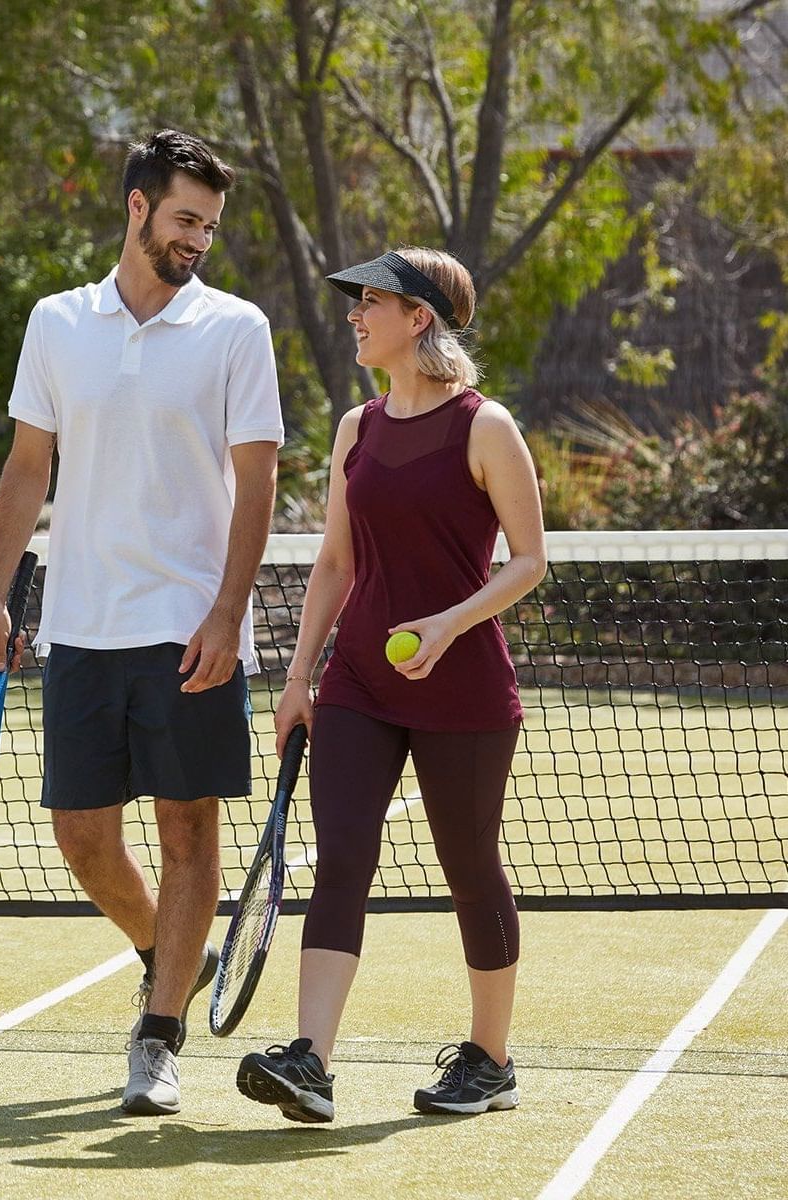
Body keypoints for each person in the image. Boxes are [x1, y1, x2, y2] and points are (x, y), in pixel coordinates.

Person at [0, 129, 284, 1116]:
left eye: (211, 225)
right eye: (185, 218)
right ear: (137, 207)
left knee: (189, 835)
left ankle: (158, 1036)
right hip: (78, 627)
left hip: (190, 627)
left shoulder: (237, 330)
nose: (199, 238)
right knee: (80, 837)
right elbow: (29, 466)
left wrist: (229, 614)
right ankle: (169, 958)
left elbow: (258, 479)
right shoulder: (57, 323)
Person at [233, 248, 547, 1123]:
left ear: (421, 318)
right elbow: (334, 560)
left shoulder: (487, 427)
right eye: (355, 301)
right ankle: (311, 1062)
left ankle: (490, 1062)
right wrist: (300, 677)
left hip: (465, 692)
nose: (354, 315)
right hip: (359, 684)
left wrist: (450, 624)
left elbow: (529, 561)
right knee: (341, 859)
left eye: (371, 301)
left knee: (470, 869)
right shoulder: (355, 429)